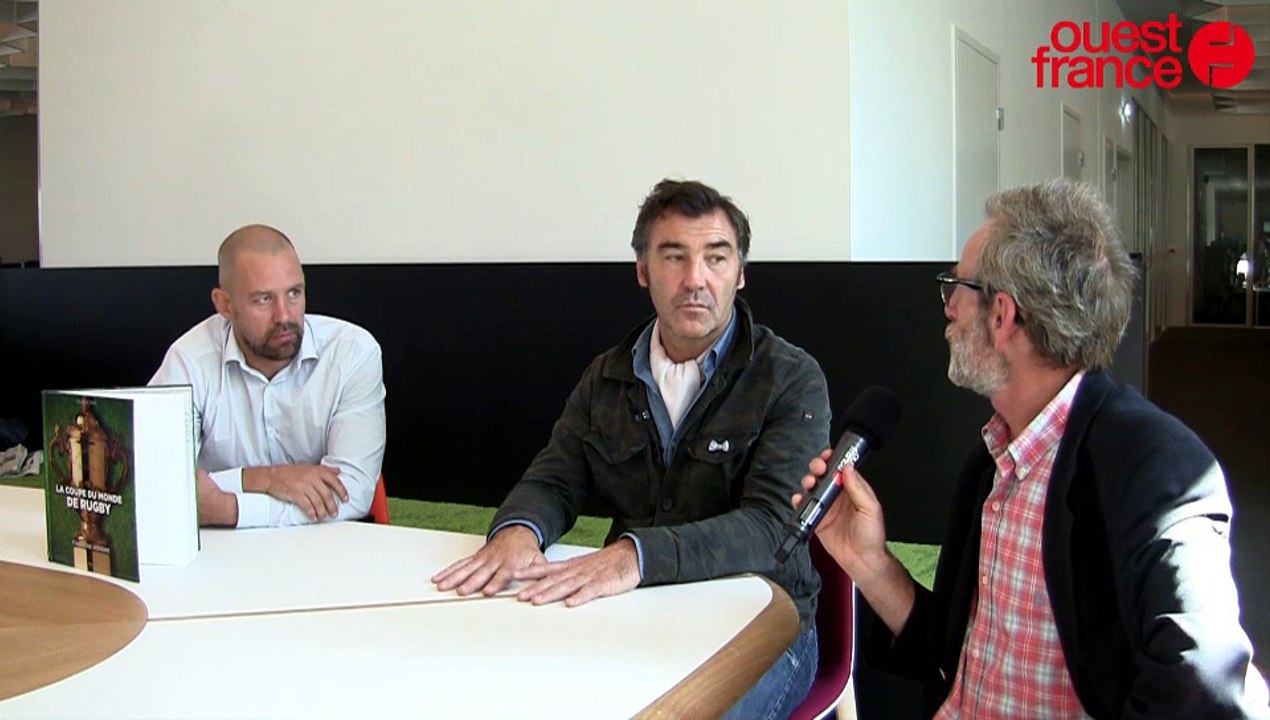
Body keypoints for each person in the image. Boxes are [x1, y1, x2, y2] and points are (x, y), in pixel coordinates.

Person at [797, 178, 1269, 718]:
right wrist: (870, 562)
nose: (948, 307)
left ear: (1002, 315)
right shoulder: (994, 461)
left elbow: (1209, 695)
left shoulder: (1155, 466)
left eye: (957, 286)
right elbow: (949, 660)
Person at [432, 179, 831, 718]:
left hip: (762, 621)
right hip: (632, 613)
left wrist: (634, 556)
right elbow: (555, 477)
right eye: (674, 257)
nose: (696, 279)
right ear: (643, 271)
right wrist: (518, 531)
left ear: (741, 274)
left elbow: (771, 528)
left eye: (716, 258)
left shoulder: (790, 377)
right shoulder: (608, 375)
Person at [151, 224, 386, 528]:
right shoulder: (190, 360)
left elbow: (351, 493)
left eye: (294, 293)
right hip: (222, 557)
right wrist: (263, 479)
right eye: (263, 299)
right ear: (225, 305)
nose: (284, 316)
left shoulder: (352, 354)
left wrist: (229, 509)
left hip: (324, 549)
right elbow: (154, 478)